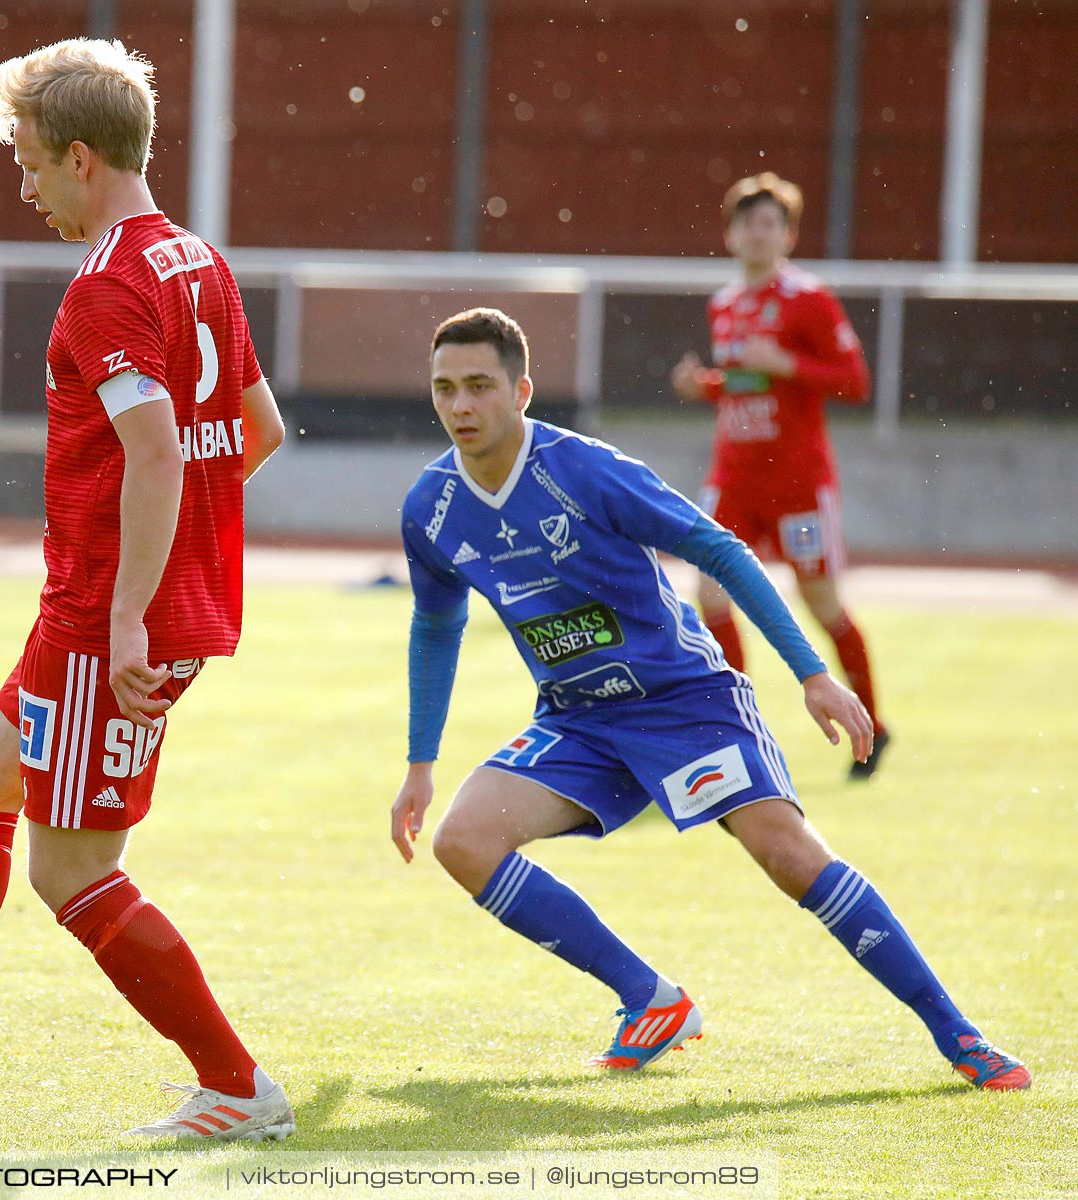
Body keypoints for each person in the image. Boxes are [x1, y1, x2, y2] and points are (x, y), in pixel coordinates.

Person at [391, 307, 1030, 1091]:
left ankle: (956, 1032)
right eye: (445, 388)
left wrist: (810, 673)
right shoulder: (432, 507)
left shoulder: (584, 469)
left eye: (480, 386)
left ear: (521, 391)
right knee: (462, 840)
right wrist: (421, 763)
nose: (460, 406)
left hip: (684, 703)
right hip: (580, 721)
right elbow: (435, 624)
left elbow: (718, 548)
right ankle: (650, 1001)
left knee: (788, 855)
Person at [0, 38, 293, 1140]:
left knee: (73, 874)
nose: (27, 186)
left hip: (108, 626)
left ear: (84, 159)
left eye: (35, 163)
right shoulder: (198, 259)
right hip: (99, 611)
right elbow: (260, 432)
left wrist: (137, 607)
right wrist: (175, 560)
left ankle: (237, 1089)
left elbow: (156, 453)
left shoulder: (106, 288)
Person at [671, 173, 889, 779]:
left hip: (795, 483)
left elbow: (854, 381)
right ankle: (740, 729)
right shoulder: (723, 303)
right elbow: (747, 384)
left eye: (768, 223)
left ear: (788, 234)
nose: (755, 233)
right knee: (708, 594)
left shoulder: (809, 299)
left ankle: (872, 722)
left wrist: (788, 361)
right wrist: (707, 386)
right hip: (734, 478)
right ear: (729, 235)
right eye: (744, 223)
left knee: (821, 605)